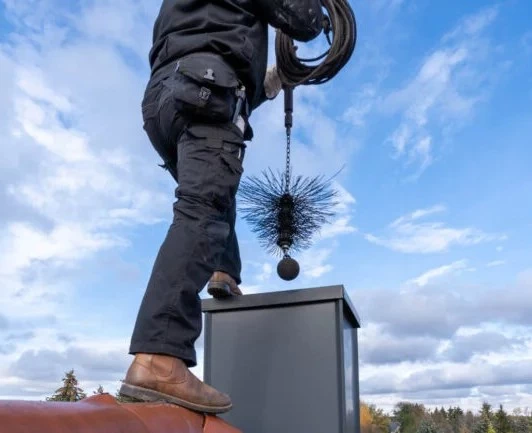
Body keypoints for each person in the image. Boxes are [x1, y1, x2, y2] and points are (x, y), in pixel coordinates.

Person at [119, 0, 323, 414]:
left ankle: (224, 271)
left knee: (212, 193)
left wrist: (267, 83)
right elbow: (303, 19)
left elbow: (211, 47)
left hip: (166, 99)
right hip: (205, 91)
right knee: (204, 209)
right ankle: (160, 357)